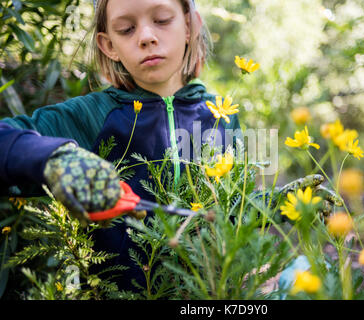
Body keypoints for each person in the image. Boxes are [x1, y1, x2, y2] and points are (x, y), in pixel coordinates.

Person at [0, 0, 241, 291]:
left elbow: (238, 212)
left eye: (162, 20)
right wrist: (52, 158)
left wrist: (284, 206)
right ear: (108, 45)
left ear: (190, 25)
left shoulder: (222, 116)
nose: (146, 37)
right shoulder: (90, 116)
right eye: (126, 29)